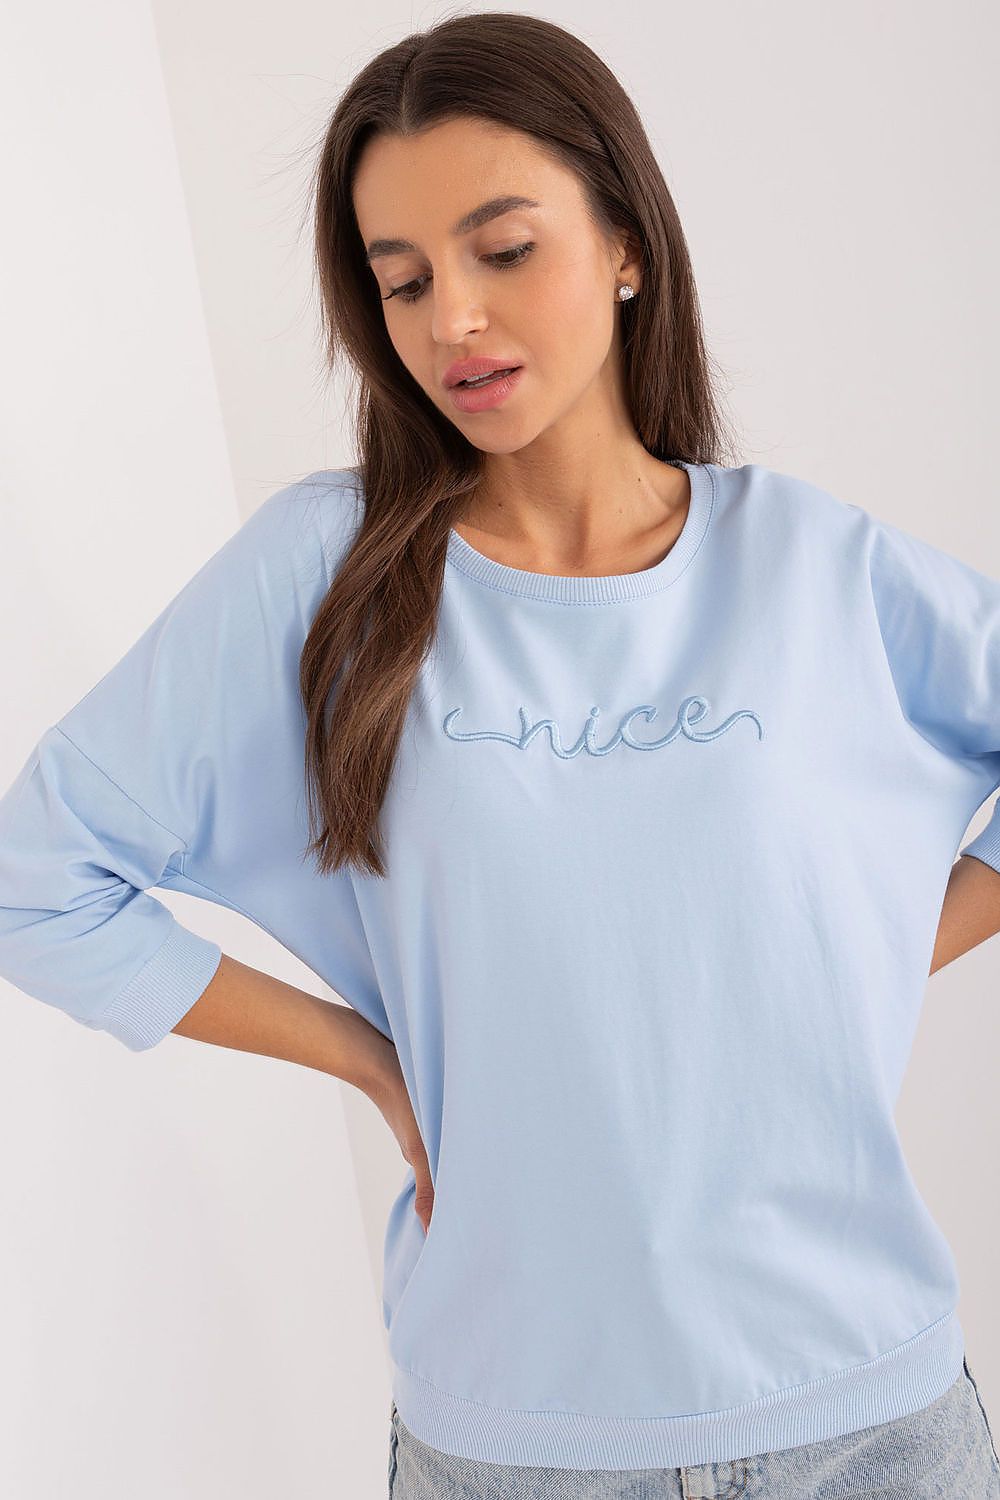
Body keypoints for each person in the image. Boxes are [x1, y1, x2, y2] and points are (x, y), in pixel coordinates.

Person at [2, 11, 999, 1498]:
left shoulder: (814, 567)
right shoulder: (324, 574)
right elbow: (37, 878)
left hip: (871, 1425)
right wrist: (371, 1058)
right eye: (402, 280)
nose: (451, 319)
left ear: (625, 244)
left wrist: (857, 947)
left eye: (503, 251)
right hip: (519, 1445)